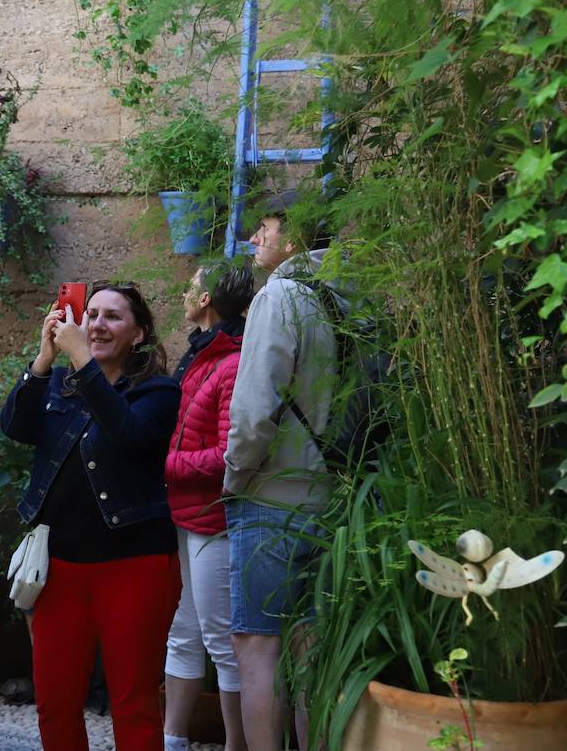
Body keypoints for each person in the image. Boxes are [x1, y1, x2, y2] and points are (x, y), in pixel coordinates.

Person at [1, 282, 181, 751]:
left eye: (112, 317)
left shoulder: (159, 392)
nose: (97, 325)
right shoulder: (60, 383)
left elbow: (128, 434)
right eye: (92, 313)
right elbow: (16, 427)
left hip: (134, 567)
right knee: (55, 701)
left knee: (133, 702)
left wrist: (81, 358)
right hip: (60, 568)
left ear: (138, 333)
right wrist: (43, 359)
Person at [223, 190, 337, 751]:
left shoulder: (281, 297)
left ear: (292, 239)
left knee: (258, 645)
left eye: (262, 230)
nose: (253, 240)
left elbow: (253, 408)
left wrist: (235, 476)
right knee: (310, 646)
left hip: (272, 496)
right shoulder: (347, 299)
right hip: (335, 497)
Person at [164, 262, 255, 751]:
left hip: (213, 521)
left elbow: (228, 455)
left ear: (207, 301)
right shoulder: (199, 356)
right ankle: (173, 740)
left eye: (192, 286)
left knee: (222, 643)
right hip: (184, 516)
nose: (185, 291)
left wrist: (168, 465)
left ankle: (236, 745)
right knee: (182, 634)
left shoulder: (232, 362)